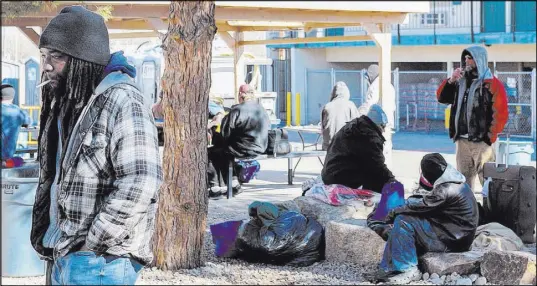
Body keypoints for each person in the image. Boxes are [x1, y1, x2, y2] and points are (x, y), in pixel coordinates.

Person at [30, 6, 163, 285]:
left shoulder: (123, 100)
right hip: (62, 250)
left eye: (57, 55)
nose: (47, 65)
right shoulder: (67, 100)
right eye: (44, 55)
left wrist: (93, 242)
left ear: (84, 59)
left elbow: (142, 180)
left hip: (101, 261)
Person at [366, 153, 479, 284]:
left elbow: (420, 207)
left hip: (453, 240)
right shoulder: (455, 180)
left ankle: (408, 270)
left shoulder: (446, 190)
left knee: (403, 221)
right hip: (455, 233)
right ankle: (388, 269)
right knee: (404, 219)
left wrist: (391, 211)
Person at [436, 45, 508, 190]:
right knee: (463, 181)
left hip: (482, 143)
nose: (467, 62)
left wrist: (489, 138)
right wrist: (451, 81)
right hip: (462, 141)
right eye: (466, 58)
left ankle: (490, 211)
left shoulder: (492, 84)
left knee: (488, 182)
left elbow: (501, 113)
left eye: (471, 59)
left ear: (479, 60)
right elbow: (442, 98)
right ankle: (468, 212)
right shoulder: (460, 82)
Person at [207, 84, 270, 199]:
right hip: (261, 147)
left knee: (212, 152)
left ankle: (215, 188)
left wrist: (215, 128)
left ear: (241, 94)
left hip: (244, 149)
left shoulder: (237, 110)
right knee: (223, 151)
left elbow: (225, 133)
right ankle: (234, 184)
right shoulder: (261, 108)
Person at [321, 104, 395, 193]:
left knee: (372, 171)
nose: (384, 131)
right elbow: (377, 166)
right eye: (383, 127)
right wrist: (393, 182)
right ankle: (374, 202)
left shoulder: (354, 125)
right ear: (380, 125)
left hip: (330, 174)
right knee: (375, 176)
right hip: (340, 179)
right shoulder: (369, 135)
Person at [357, 64, 396, 168]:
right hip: (388, 122)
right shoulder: (389, 85)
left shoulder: (375, 86)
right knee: (386, 149)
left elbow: (369, 105)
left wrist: (357, 114)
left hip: (376, 123)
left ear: (371, 75)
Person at [321, 81, 359, 150]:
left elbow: (323, 129)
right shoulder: (350, 105)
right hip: (345, 147)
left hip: (328, 148)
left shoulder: (327, 107)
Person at [1, 83, 32, 161]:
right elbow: (29, 122)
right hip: (7, 156)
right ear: (12, 97)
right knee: (20, 161)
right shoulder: (18, 111)